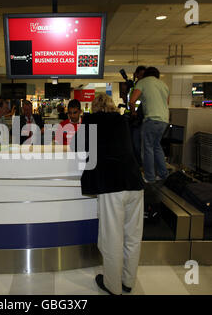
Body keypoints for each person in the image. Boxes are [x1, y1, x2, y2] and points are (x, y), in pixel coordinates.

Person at [73, 93, 144, 295]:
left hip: (112, 187)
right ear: (112, 106)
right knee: (132, 237)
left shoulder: (91, 121)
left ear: (94, 107)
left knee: (112, 239)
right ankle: (128, 282)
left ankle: (112, 286)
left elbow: (76, 146)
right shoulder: (123, 121)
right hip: (135, 184)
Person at [129, 67, 170, 183]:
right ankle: (163, 174)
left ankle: (149, 177)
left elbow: (132, 101)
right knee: (157, 146)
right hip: (164, 120)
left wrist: (133, 112)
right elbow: (166, 103)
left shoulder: (142, 82)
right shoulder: (164, 85)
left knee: (147, 148)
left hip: (151, 119)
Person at [129, 66, 146, 166]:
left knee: (138, 144)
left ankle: (141, 164)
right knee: (135, 143)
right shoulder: (135, 86)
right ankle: (138, 164)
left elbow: (132, 102)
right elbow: (130, 101)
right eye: (141, 75)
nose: (142, 77)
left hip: (142, 118)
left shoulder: (142, 85)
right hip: (136, 119)